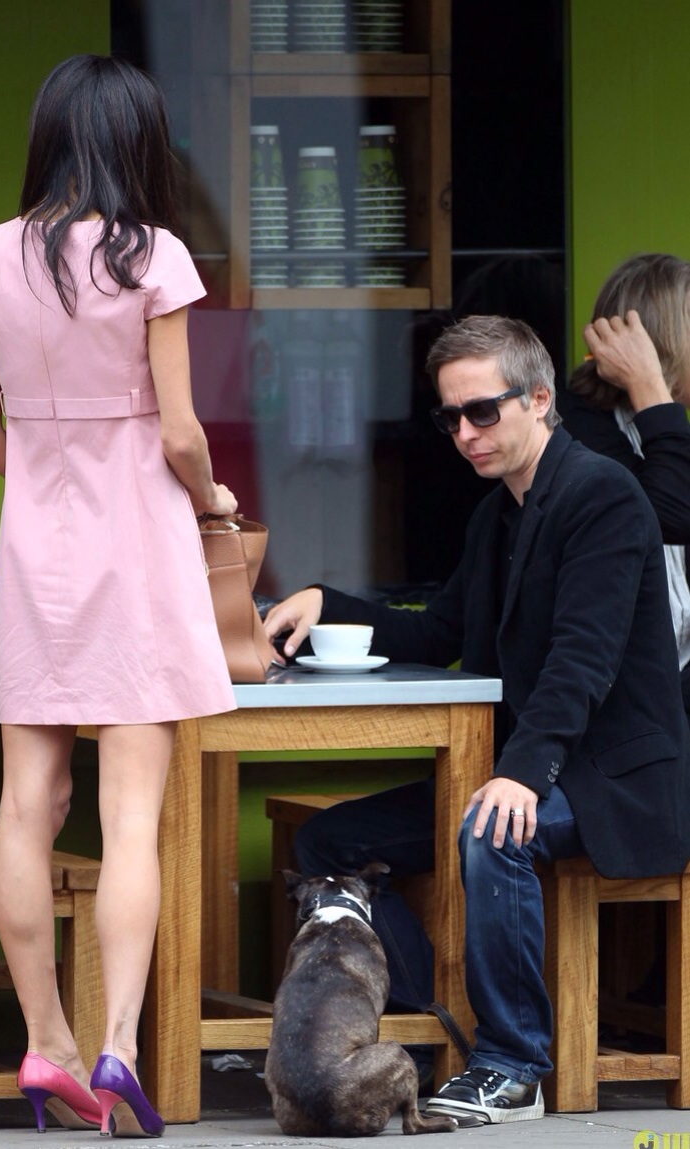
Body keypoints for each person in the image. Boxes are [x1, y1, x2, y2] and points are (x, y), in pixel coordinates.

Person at [263, 314, 690, 1127]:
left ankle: (511, 1066)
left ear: (539, 399)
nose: (464, 433)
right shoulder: (498, 513)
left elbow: (582, 661)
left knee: (493, 829)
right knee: (329, 844)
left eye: (481, 412)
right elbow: (439, 632)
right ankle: (432, 1031)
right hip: (533, 765)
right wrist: (326, 604)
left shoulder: (602, 494)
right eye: (450, 417)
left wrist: (523, 772)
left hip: (613, 779)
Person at [0, 55, 237, 1137]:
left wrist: (51, 470)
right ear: (137, 141)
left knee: (26, 806)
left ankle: (45, 1043)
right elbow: (180, 432)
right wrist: (212, 498)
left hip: (37, 554)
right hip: (140, 549)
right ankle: (118, 1046)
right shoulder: (152, 254)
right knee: (130, 819)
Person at [559, 253, 690, 716]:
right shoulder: (575, 427)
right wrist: (651, 385)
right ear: (660, 344)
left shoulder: (671, 427)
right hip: (617, 710)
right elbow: (669, 515)